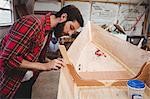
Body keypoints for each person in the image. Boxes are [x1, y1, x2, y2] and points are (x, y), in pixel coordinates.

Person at [0, 5, 84, 99]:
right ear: (63, 17)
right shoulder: (32, 24)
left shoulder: (48, 31)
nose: (70, 33)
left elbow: (37, 58)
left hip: (27, 80)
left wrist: (53, 62)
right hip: (11, 83)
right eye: (71, 27)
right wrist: (45, 66)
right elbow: (7, 59)